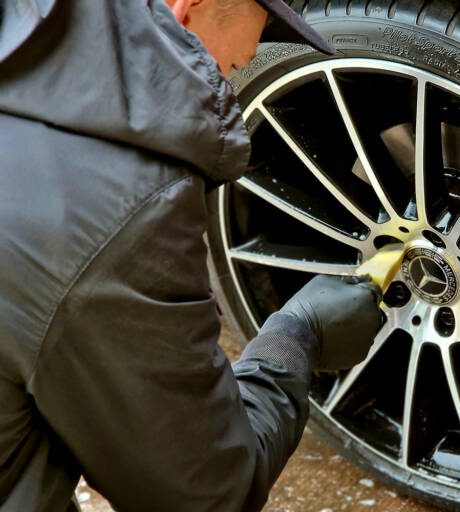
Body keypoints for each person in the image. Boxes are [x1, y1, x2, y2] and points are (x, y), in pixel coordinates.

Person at [0, 1, 381, 511]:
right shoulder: (120, 209)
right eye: (229, 66)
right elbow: (205, 493)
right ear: (186, 8)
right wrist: (297, 338)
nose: (226, 89)